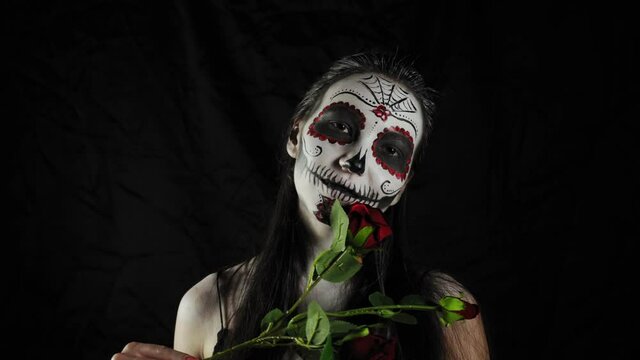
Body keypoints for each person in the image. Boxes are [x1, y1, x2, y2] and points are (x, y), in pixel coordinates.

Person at [112, 52, 490, 360]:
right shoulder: (208, 304)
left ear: (399, 189)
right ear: (295, 134)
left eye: (390, 150)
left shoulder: (438, 308)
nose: (356, 161)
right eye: (342, 127)